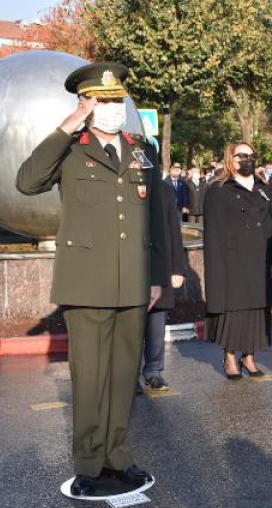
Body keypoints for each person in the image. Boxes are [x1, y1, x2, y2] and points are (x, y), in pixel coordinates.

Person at [16, 62, 168, 496]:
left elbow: (155, 219)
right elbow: (27, 182)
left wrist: (157, 277)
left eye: (116, 99)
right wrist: (68, 125)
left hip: (134, 282)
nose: (112, 107)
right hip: (87, 283)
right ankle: (88, 463)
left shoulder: (142, 149)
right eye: (102, 100)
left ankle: (118, 457)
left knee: (124, 376)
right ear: (84, 104)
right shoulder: (69, 149)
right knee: (89, 378)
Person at [204, 142, 272, 379]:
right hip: (233, 258)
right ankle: (229, 358)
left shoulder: (263, 187)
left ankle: (249, 356)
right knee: (235, 310)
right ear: (230, 158)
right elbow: (213, 230)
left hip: (260, 256)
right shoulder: (219, 188)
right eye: (242, 155)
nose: (247, 159)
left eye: (251, 155)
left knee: (258, 309)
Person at [141, 183, 187, 392]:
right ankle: (127, 374)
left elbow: (173, 229)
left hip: (160, 263)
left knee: (156, 324)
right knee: (129, 325)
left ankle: (154, 371)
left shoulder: (165, 189)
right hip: (130, 264)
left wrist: (178, 267)